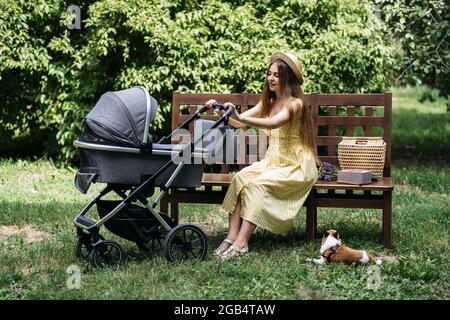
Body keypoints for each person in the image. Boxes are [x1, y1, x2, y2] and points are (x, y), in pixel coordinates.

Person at [205, 51, 318, 261]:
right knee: (240, 178)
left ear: (287, 79)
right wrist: (223, 112)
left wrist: (239, 117)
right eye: (269, 74)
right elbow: (239, 122)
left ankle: (242, 243)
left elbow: (274, 123)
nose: (271, 79)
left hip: (296, 165)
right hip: (273, 162)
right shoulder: (267, 102)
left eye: (276, 75)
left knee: (258, 185)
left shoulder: (296, 104)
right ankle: (231, 238)